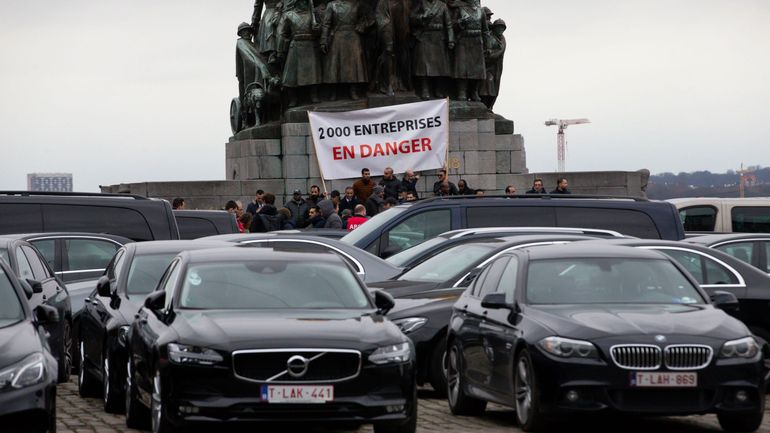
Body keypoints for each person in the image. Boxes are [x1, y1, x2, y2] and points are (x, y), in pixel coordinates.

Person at [410, 0, 454, 99]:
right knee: (423, 65)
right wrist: (422, 17)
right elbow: (412, 17)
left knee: (439, 66)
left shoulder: (442, 6)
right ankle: (425, 89)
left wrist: (451, 39)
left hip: (438, 38)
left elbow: (449, 24)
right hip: (425, 36)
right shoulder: (421, 3)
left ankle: (438, 89)